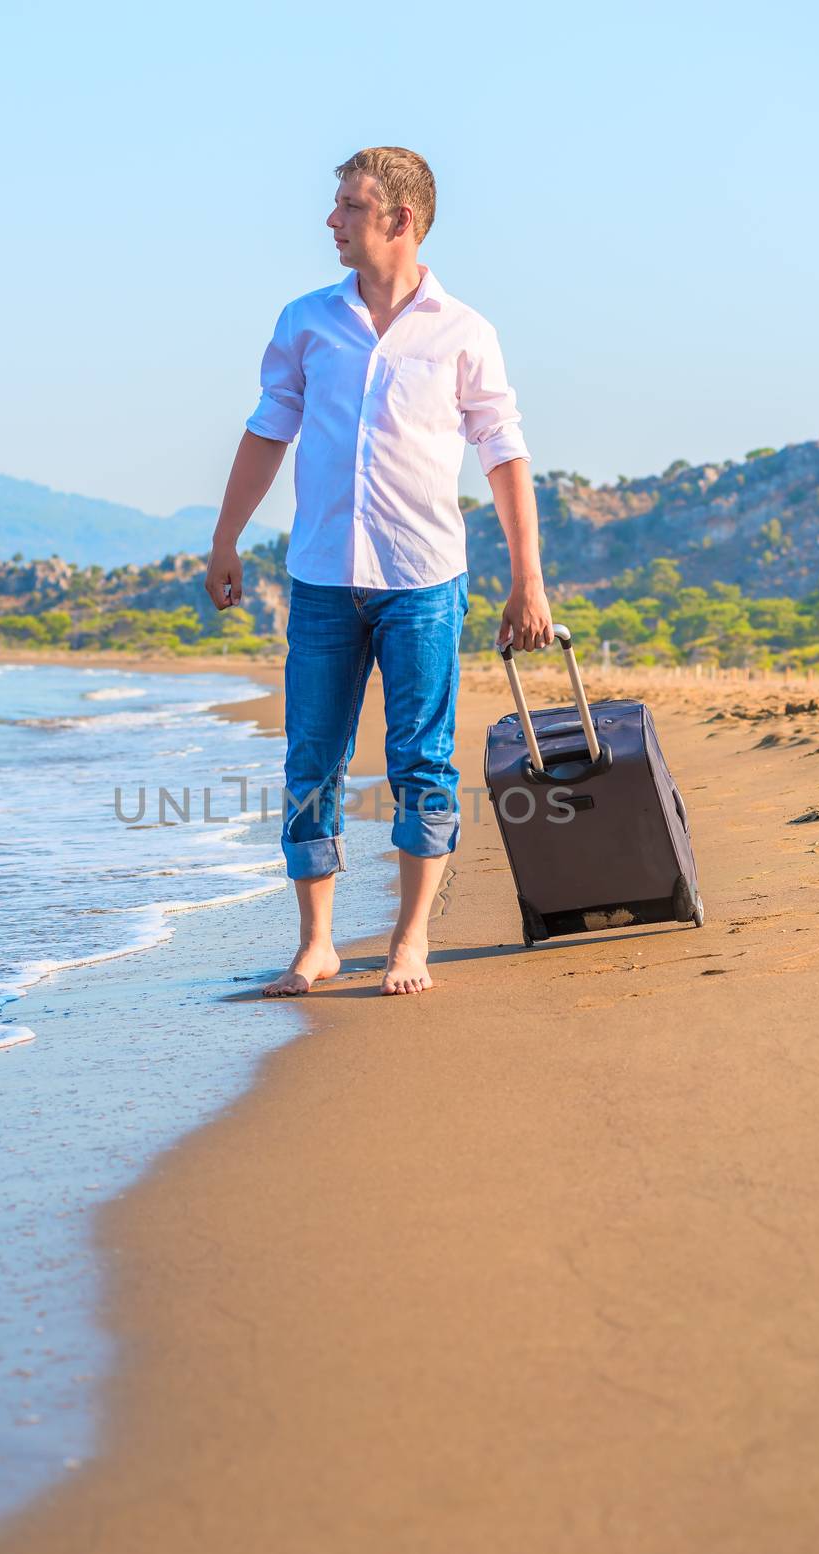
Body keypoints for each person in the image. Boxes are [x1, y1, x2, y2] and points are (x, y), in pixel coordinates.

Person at [205, 146, 553, 997]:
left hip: (424, 580)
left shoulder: (465, 332)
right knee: (309, 761)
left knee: (422, 762)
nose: (333, 220)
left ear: (400, 221)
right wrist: (225, 540)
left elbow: (503, 452)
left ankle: (409, 942)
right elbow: (266, 431)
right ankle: (317, 944)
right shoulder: (306, 320)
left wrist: (527, 580)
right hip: (322, 577)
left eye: (350, 207)